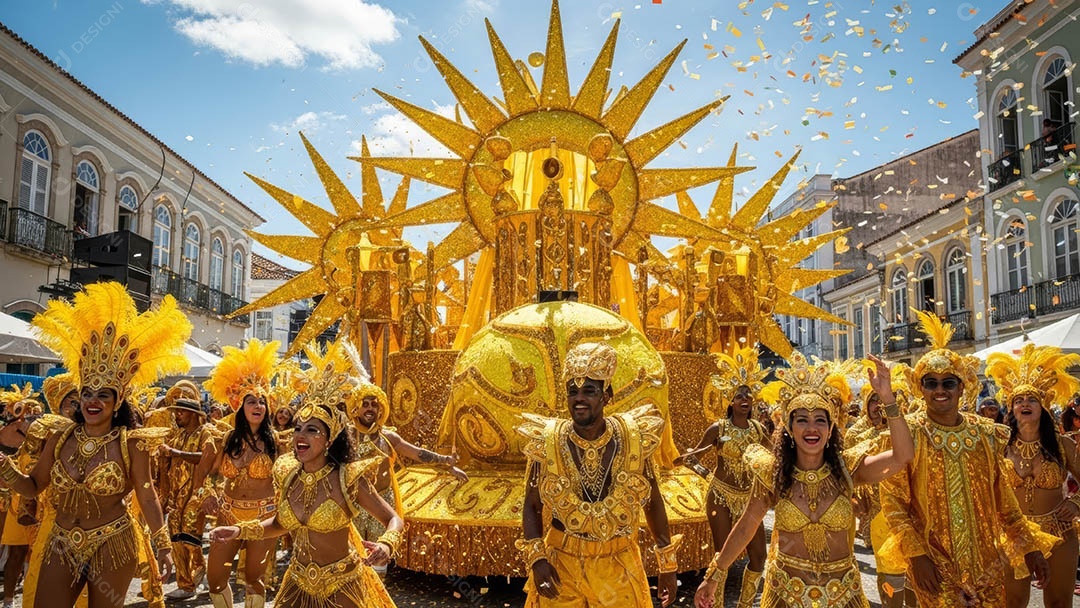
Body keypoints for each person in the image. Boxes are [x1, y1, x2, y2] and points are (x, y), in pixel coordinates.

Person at [0, 282, 187, 608]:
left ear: (117, 402)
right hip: (60, 541)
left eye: (103, 394)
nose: (92, 401)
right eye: (87, 392)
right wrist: (5, 466)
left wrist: (163, 545)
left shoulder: (132, 444)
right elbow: (33, 487)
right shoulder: (60, 438)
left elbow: (146, 494)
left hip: (113, 541)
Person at [694, 353, 914, 608]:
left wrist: (888, 399)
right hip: (786, 597)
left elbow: (903, 456)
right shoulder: (772, 473)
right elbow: (745, 527)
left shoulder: (848, 470)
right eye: (802, 420)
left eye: (820, 420)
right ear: (789, 427)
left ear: (830, 429)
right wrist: (714, 575)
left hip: (843, 598)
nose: (812, 428)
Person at [878, 309, 1057, 606]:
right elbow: (894, 501)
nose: (939, 390)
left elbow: (1005, 502)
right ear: (920, 388)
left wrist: (1031, 548)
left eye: (948, 382)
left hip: (988, 566)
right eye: (930, 382)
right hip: (936, 566)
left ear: (962, 386)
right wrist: (917, 555)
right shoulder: (907, 432)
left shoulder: (986, 435)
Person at [208, 357, 402, 608]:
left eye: (312, 430)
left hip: (342, 585)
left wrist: (387, 544)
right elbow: (279, 524)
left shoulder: (348, 477)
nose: (300, 434)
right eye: (298, 428)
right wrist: (238, 531)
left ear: (330, 439)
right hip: (297, 584)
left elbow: (393, 519)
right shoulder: (289, 474)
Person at [516, 342, 680, 607]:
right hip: (562, 564)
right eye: (573, 392)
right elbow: (532, 505)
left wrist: (667, 564)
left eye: (589, 391)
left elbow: (652, 501)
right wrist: (538, 559)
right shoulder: (547, 441)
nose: (579, 398)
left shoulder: (633, 437)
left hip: (619, 563)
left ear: (606, 396)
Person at [986, 343, 1080, 608]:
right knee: (1012, 602)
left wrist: (1075, 502)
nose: (1024, 404)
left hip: (1058, 533)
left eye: (1031, 400)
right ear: (1011, 408)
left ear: (1043, 407)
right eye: (1018, 400)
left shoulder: (1063, 445)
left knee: (1060, 602)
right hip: (1013, 534)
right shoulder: (998, 445)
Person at [677, 345, 770, 607]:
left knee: (759, 557)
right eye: (739, 395)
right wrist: (705, 473)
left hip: (749, 499)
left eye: (748, 395)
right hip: (720, 495)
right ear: (729, 399)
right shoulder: (719, 428)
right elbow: (691, 456)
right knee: (722, 558)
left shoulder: (759, 429)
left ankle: (745, 604)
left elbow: (775, 460)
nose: (744, 399)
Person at [199, 338, 284, 608]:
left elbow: (287, 477)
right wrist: (209, 493)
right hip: (228, 512)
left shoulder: (277, 442)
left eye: (262, 401)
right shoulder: (226, 439)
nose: (257, 406)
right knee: (215, 578)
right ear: (240, 406)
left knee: (254, 579)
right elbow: (212, 474)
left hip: (263, 515)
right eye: (251, 401)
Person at [347, 380, 467, 561]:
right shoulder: (347, 436)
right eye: (365, 404)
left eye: (374, 404)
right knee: (353, 555)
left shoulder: (388, 437)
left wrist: (446, 462)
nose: (370, 408)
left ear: (381, 409)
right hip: (354, 503)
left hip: (382, 504)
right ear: (356, 408)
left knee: (379, 555)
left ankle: (381, 587)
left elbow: (417, 453)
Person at [156, 384, 216, 600]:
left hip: (198, 493)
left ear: (193, 414)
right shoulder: (178, 436)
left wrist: (175, 452)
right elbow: (168, 463)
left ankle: (203, 568)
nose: (176, 416)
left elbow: (207, 456)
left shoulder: (205, 432)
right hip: (176, 496)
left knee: (191, 535)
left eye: (180, 412)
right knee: (176, 538)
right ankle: (186, 585)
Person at [0, 384, 41, 608]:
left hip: (27, 501)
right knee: (12, 550)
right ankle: (8, 599)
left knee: (28, 552)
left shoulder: (38, 442)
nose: (27, 422)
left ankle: (24, 596)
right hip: (8, 501)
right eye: (24, 416)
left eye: (33, 417)